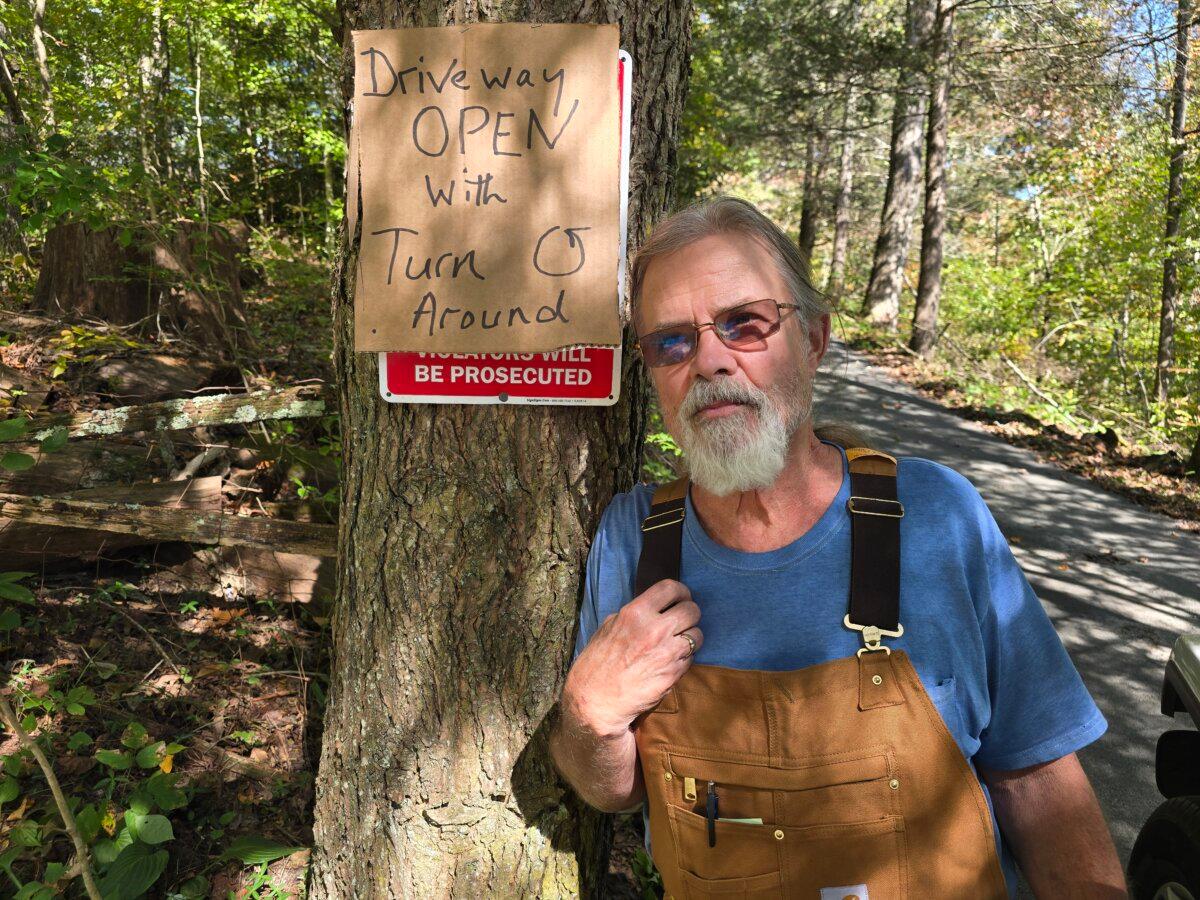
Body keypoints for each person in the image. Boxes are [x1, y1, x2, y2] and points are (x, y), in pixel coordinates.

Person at [548, 196, 1127, 899]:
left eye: (746, 324)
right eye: (671, 341)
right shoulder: (633, 540)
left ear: (815, 339)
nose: (708, 360)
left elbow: (1039, 780)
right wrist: (589, 716)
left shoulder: (937, 517)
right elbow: (612, 791)